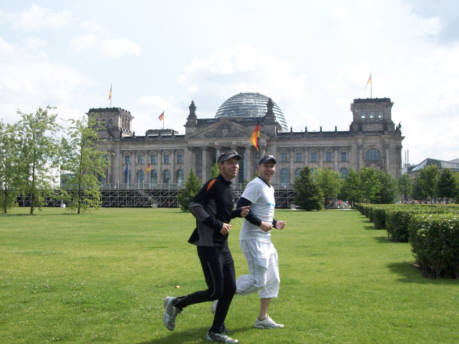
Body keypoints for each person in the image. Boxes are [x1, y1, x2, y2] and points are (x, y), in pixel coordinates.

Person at [163, 151, 249, 344]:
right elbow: (195, 206)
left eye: (236, 163)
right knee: (215, 292)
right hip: (208, 245)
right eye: (230, 163)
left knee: (230, 288)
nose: (235, 166)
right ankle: (176, 303)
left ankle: (215, 331)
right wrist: (217, 225)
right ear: (220, 166)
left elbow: (221, 213)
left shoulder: (228, 187)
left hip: (222, 246)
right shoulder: (213, 184)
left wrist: (236, 213)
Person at [235, 154, 286, 329]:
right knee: (258, 281)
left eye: (272, 166)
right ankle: (224, 293)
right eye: (266, 166)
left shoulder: (268, 187)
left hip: (266, 238)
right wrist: (260, 223)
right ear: (259, 167)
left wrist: (273, 223)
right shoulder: (255, 184)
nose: (269, 169)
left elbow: (264, 213)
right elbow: (241, 207)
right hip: (252, 238)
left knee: (273, 278)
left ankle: (262, 319)